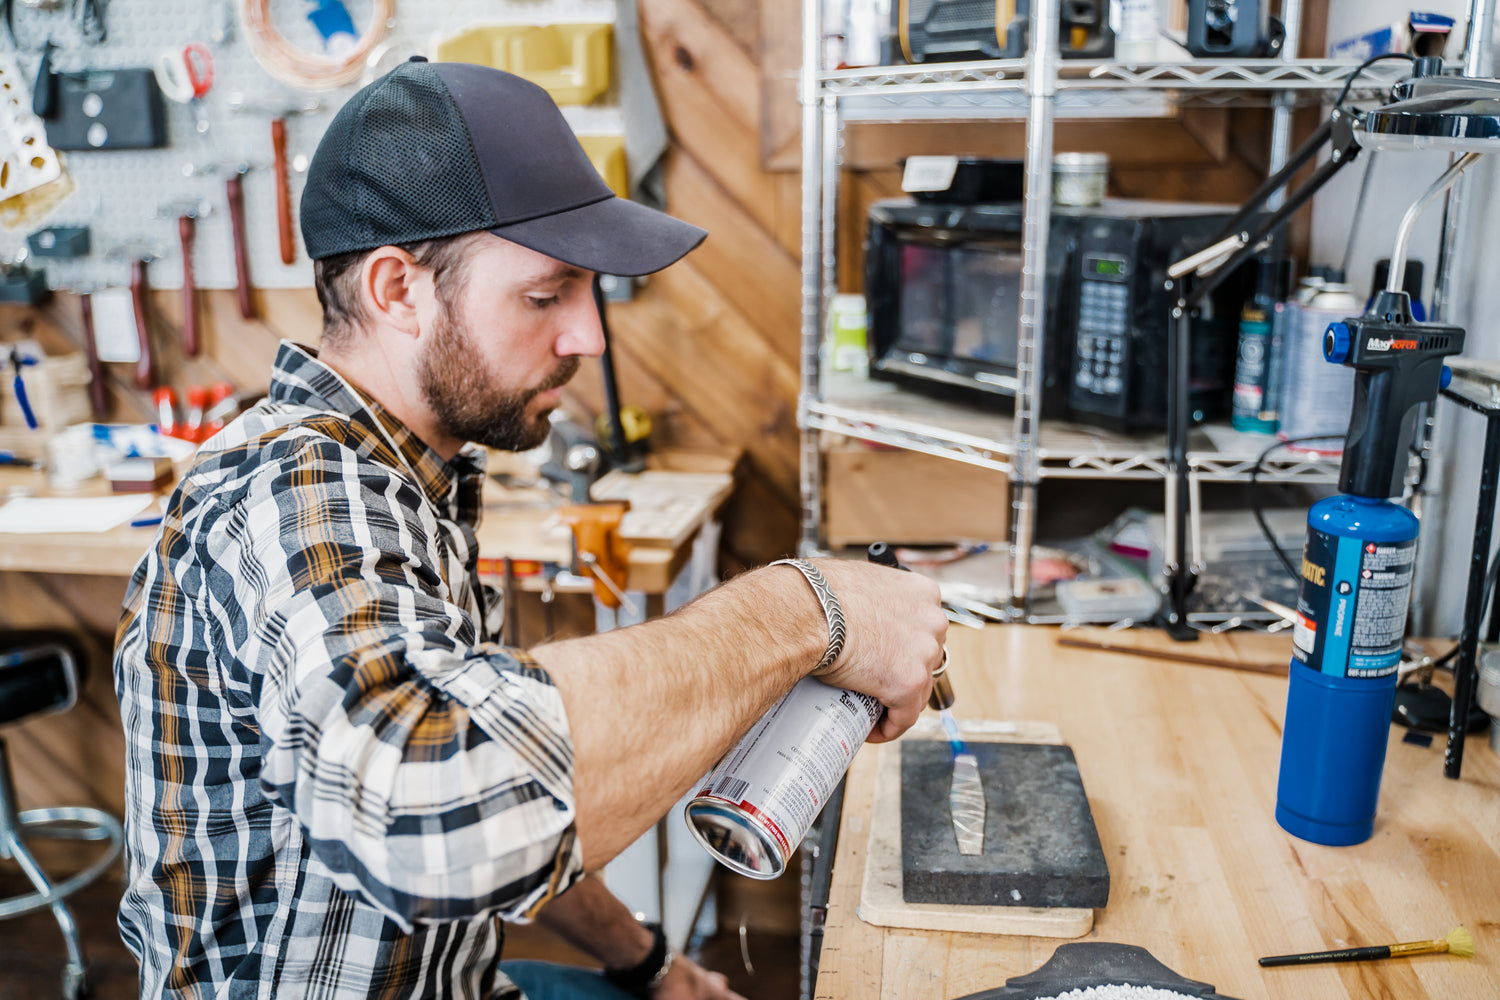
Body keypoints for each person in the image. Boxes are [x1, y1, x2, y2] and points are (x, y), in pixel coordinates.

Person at [112, 59, 946, 1000]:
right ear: (398, 291)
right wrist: (804, 611)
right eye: (547, 295)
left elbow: (517, 788)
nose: (589, 337)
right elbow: (438, 808)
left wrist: (649, 964)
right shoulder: (300, 494)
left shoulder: (416, 481)